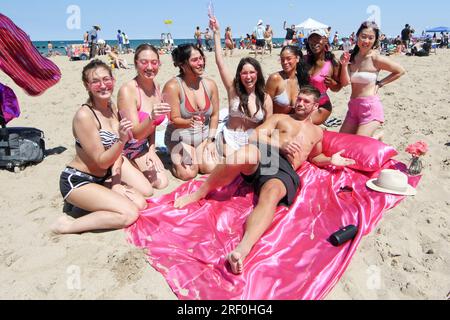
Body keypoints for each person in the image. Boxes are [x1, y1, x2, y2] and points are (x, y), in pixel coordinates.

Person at [174, 86, 356, 274]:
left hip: (285, 169)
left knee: (273, 193)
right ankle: (200, 193)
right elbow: (255, 135)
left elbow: (314, 157)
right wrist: (281, 144)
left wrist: (330, 160)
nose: (300, 103)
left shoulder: (317, 132)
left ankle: (241, 251)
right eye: (299, 99)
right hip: (266, 153)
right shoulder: (281, 118)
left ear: (315, 106)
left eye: (306, 101)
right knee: (244, 154)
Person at [52, 60, 147, 235]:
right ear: (87, 85)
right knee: (129, 214)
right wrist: (121, 140)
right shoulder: (84, 115)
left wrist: (117, 183)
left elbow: (116, 154)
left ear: (113, 80)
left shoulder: (111, 107)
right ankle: (66, 226)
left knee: (142, 201)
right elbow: (102, 161)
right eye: (95, 81)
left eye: (106, 79)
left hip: (102, 177)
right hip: (79, 180)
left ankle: (90, 203)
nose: (103, 85)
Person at [210, 17, 272, 159]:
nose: (248, 76)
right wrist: (217, 32)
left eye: (252, 72)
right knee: (236, 163)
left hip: (252, 140)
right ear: (239, 75)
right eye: (244, 73)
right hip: (230, 137)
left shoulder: (265, 98)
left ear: (258, 74)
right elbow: (220, 62)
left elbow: (269, 126)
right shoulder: (233, 89)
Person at [118, 44, 171, 192]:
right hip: (123, 148)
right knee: (146, 190)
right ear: (135, 63)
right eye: (144, 62)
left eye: (154, 62)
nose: (149, 67)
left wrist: (152, 150)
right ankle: (121, 169)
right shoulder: (128, 90)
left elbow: (152, 127)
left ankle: (133, 169)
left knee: (162, 182)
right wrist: (151, 117)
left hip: (141, 147)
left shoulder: (156, 87)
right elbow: (134, 134)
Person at [163, 44, 220, 180]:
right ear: (182, 64)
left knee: (210, 168)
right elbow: (173, 119)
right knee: (188, 173)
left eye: (201, 58)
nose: (201, 63)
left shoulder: (210, 84)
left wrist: (211, 140)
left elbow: (215, 115)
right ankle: (174, 157)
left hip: (203, 138)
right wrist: (189, 122)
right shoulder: (172, 86)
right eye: (195, 60)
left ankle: (197, 152)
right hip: (180, 137)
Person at [339, 21, 406, 138]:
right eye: (363, 37)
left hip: (369, 107)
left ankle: (374, 138)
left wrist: (380, 84)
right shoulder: (351, 57)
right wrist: (344, 65)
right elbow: (345, 83)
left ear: (375, 40)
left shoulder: (376, 58)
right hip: (353, 107)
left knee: (359, 144)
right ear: (357, 37)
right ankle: (375, 139)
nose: (366, 41)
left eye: (370, 38)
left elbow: (400, 71)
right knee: (342, 141)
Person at [305, 29, 342, 125]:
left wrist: (332, 84)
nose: (314, 43)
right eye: (311, 40)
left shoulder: (333, 63)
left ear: (325, 40)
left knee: (304, 124)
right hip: (303, 103)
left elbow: (338, 87)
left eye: (318, 39)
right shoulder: (303, 60)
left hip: (322, 105)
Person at [265, 45, 309, 114]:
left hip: (292, 122)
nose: (285, 62)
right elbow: (265, 106)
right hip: (275, 121)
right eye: (282, 60)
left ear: (297, 58)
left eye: (289, 59)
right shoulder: (275, 78)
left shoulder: (300, 79)